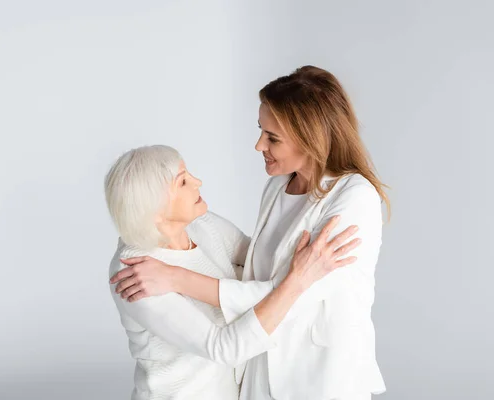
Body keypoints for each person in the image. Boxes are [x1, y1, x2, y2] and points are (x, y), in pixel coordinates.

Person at [112, 66, 390, 400]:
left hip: (318, 376)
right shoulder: (277, 188)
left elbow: (291, 295)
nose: (259, 145)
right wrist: (293, 279)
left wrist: (176, 278)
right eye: (262, 131)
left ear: (311, 138)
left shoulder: (353, 197)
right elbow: (263, 277)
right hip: (258, 371)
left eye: (273, 138)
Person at [105, 144, 361, 400]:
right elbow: (224, 348)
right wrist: (297, 281)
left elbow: (258, 263)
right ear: (155, 207)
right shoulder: (135, 272)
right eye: (183, 182)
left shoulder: (201, 225)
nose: (198, 182)